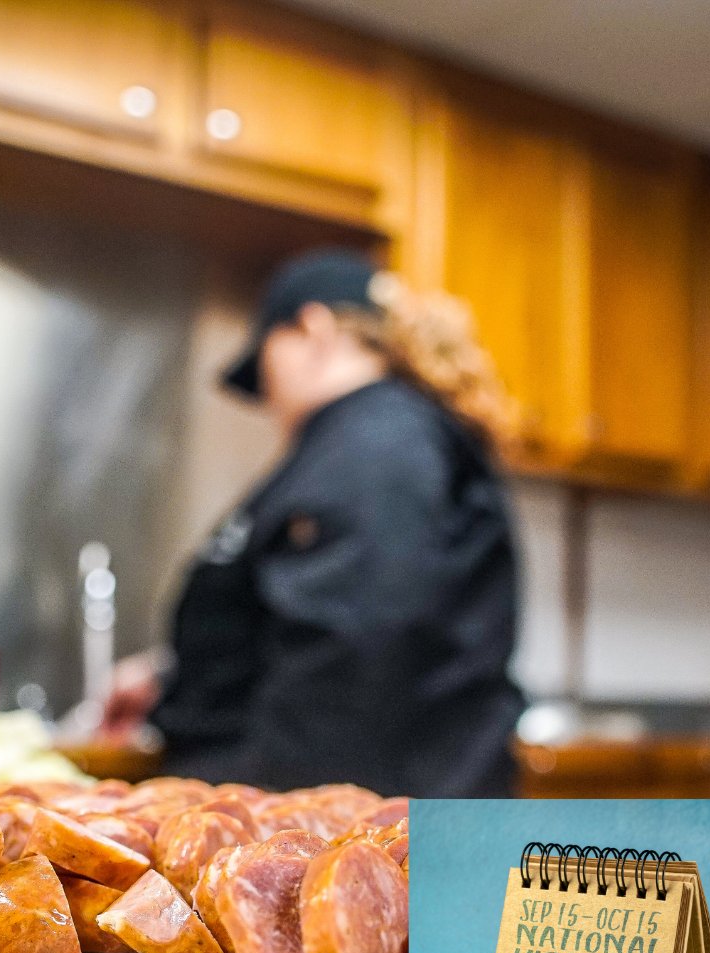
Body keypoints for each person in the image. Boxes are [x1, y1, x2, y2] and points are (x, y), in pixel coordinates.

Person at [101, 248, 526, 798]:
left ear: (313, 328)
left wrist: (276, 839)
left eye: (266, 363)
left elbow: (343, 674)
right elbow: (300, 626)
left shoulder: (376, 447)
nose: (269, 397)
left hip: (360, 838)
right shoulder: (361, 444)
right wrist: (173, 679)